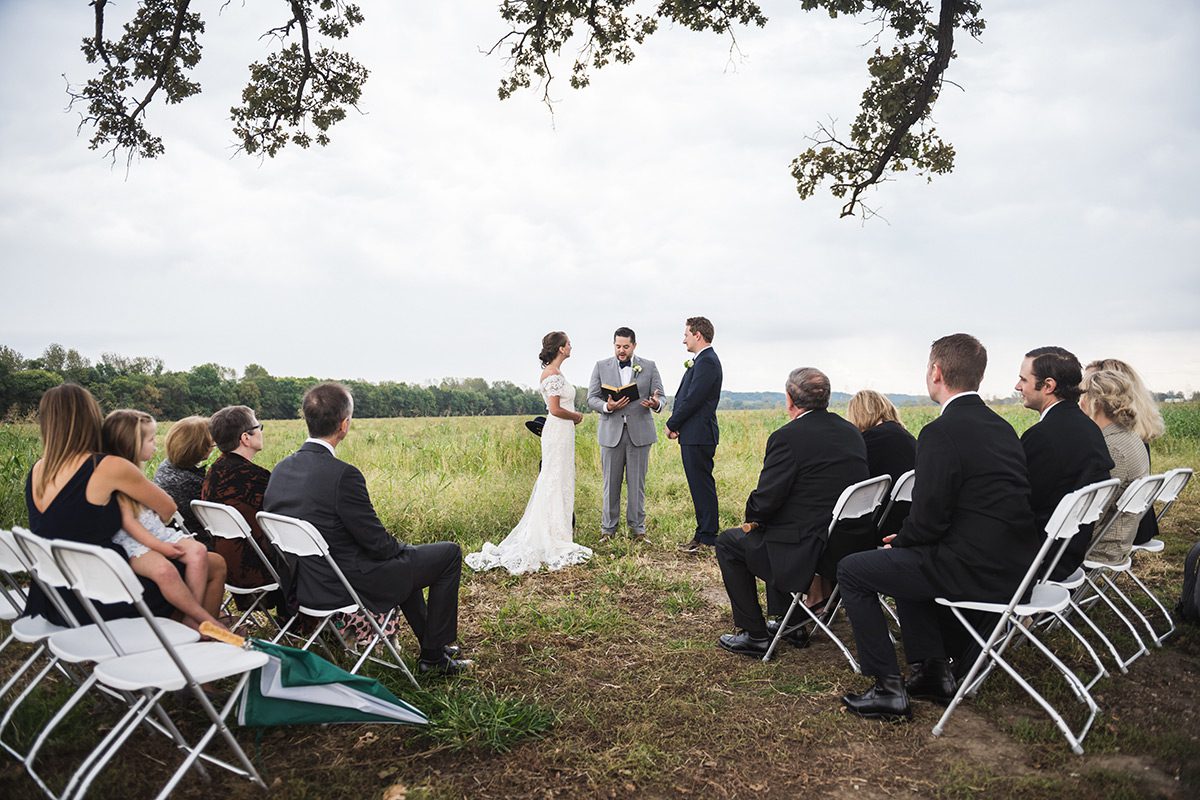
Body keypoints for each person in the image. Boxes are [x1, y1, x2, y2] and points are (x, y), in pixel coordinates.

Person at [837, 334, 1039, 720]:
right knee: (908, 558)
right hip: (1013, 564)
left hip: (972, 569)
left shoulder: (940, 432)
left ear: (936, 372)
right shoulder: (1002, 428)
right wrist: (910, 540)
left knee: (853, 570)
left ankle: (887, 687)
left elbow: (929, 515)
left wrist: (904, 540)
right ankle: (932, 671)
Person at [264, 382, 470, 675]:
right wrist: (404, 549)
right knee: (447, 554)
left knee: (405, 564)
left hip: (304, 584)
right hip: (343, 584)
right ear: (344, 425)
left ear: (308, 421)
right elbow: (378, 544)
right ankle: (434, 659)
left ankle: (433, 648)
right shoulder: (343, 475)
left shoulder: (281, 468)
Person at [21, 384, 213, 627]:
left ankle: (194, 631)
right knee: (213, 566)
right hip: (102, 596)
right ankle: (198, 632)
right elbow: (167, 507)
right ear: (91, 418)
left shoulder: (38, 469)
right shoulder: (106, 466)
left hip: (53, 593)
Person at [714, 368, 869, 657]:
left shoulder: (787, 437)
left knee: (729, 542)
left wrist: (752, 517)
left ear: (790, 400)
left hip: (807, 550)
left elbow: (765, 501)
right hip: (847, 543)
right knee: (774, 527)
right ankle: (791, 623)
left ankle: (755, 634)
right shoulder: (851, 432)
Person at [467, 332, 593, 574]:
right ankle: (549, 535)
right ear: (561, 348)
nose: (571, 347)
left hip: (564, 433)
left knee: (562, 480)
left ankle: (560, 531)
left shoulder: (557, 373)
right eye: (568, 344)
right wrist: (576, 416)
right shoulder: (551, 375)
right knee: (553, 480)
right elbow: (555, 409)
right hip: (557, 430)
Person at [103, 410, 227, 630]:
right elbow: (157, 513)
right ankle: (199, 618)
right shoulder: (120, 476)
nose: (156, 446)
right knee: (189, 564)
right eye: (151, 440)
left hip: (158, 533)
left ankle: (193, 619)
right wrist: (160, 546)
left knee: (198, 551)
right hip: (139, 542)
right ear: (132, 444)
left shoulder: (147, 471)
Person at [1014, 347, 1113, 580]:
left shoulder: (1042, 436)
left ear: (1048, 386)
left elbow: (1020, 503)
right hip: (1070, 551)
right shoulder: (1089, 428)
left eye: (1023, 379)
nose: (1018, 386)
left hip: (1040, 558)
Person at [202, 405, 292, 617]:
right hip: (259, 569)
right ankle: (300, 623)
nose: (261, 430)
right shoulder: (257, 478)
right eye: (258, 426)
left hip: (227, 565)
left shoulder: (213, 472)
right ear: (245, 438)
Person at [586, 326, 666, 542]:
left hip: (639, 433)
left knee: (637, 484)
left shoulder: (649, 366)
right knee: (610, 484)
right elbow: (591, 398)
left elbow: (662, 397)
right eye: (618, 346)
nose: (621, 350)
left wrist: (656, 403)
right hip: (611, 432)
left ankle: (638, 530)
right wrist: (607, 407)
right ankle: (608, 530)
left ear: (634, 346)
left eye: (626, 346)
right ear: (614, 345)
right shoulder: (601, 366)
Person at [1084, 358, 1165, 546]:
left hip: (1119, 530)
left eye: (1087, 389)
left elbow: (1099, 507)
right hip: (1138, 521)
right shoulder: (1133, 435)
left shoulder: (1116, 444)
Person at [1079, 369, 1151, 565]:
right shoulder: (1129, 436)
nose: (1079, 402)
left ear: (1096, 402)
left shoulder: (1112, 449)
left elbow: (1097, 512)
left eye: (1082, 395)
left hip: (1102, 547)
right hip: (1117, 540)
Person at [666, 316, 723, 554]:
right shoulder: (701, 361)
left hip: (699, 433)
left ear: (697, 335)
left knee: (701, 485)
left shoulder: (707, 361)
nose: (684, 340)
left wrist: (673, 422)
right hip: (693, 433)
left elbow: (694, 399)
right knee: (698, 485)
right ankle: (702, 533)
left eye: (686, 335)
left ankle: (708, 536)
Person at [152, 415, 213, 542]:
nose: (213, 445)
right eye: (211, 443)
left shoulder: (166, 466)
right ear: (200, 447)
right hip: (194, 541)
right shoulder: (191, 483)